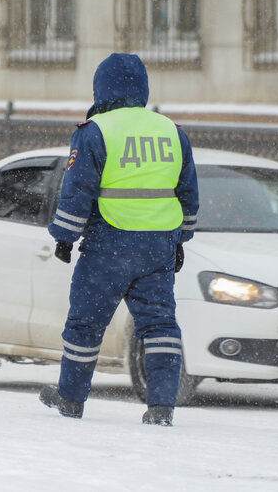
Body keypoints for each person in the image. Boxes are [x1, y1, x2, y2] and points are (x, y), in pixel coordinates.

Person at [39, 53, 199, 426]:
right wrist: (181, 240)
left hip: (108, 244)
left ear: (101, 88)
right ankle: (161, 406)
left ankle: (71, 399)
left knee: (85, 324)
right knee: (160, 327)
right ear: (143, 89)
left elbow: (77, 190)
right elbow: (188, 194)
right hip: (157, 247)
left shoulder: (95, 130)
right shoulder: (172, 132)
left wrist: (64, 236)